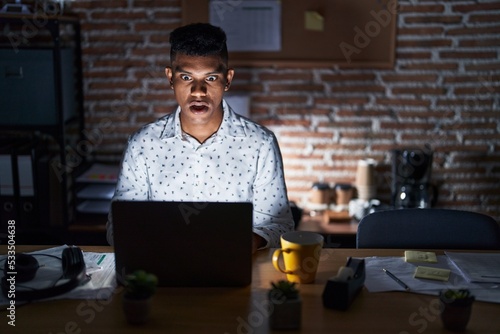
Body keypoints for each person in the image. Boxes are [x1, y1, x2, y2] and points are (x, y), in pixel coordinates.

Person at [106, 23, 294, 252]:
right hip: (162, 271)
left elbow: (280, 226)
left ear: (228, 79)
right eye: (186, 77)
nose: (198, 91)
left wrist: (242, 243)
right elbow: (117, 228)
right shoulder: (142, 144)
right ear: (170, 78)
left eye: (211, 78)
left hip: (235, 269)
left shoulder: (260, 144)